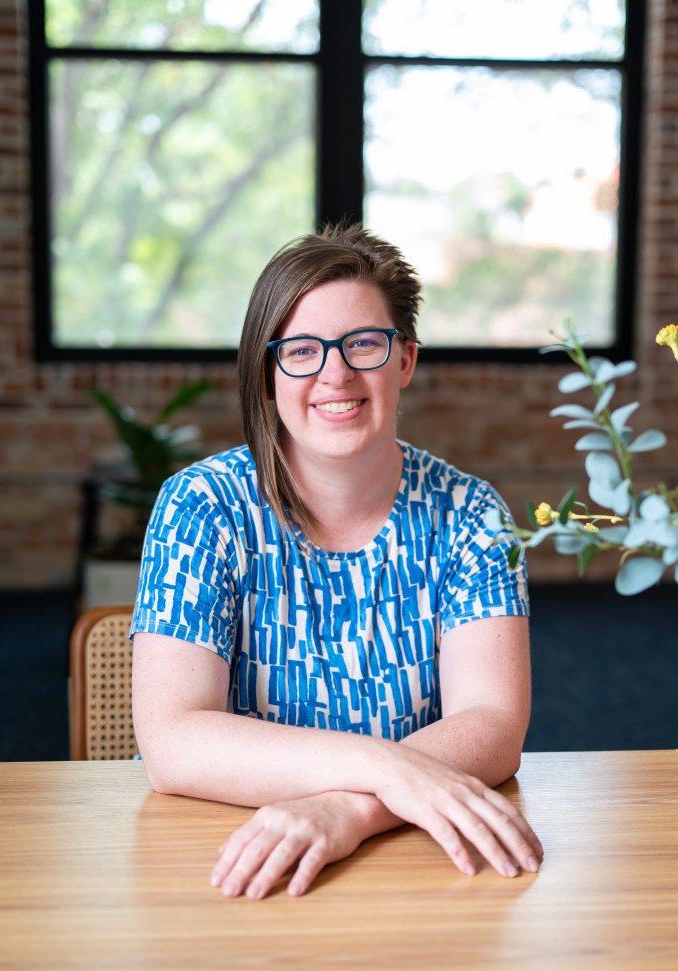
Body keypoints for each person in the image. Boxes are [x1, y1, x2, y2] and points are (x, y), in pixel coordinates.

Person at [130, 223, 543, 900]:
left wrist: (348, 810)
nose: (335, 373)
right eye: (301, 350)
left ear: (404, 361)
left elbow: (494, 728)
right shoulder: (201, 507)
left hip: (420, 870)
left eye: (364, 344)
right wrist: (388, 770)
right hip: (227, 858)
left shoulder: (472, 514)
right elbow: (173, 744)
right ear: (267, 373)